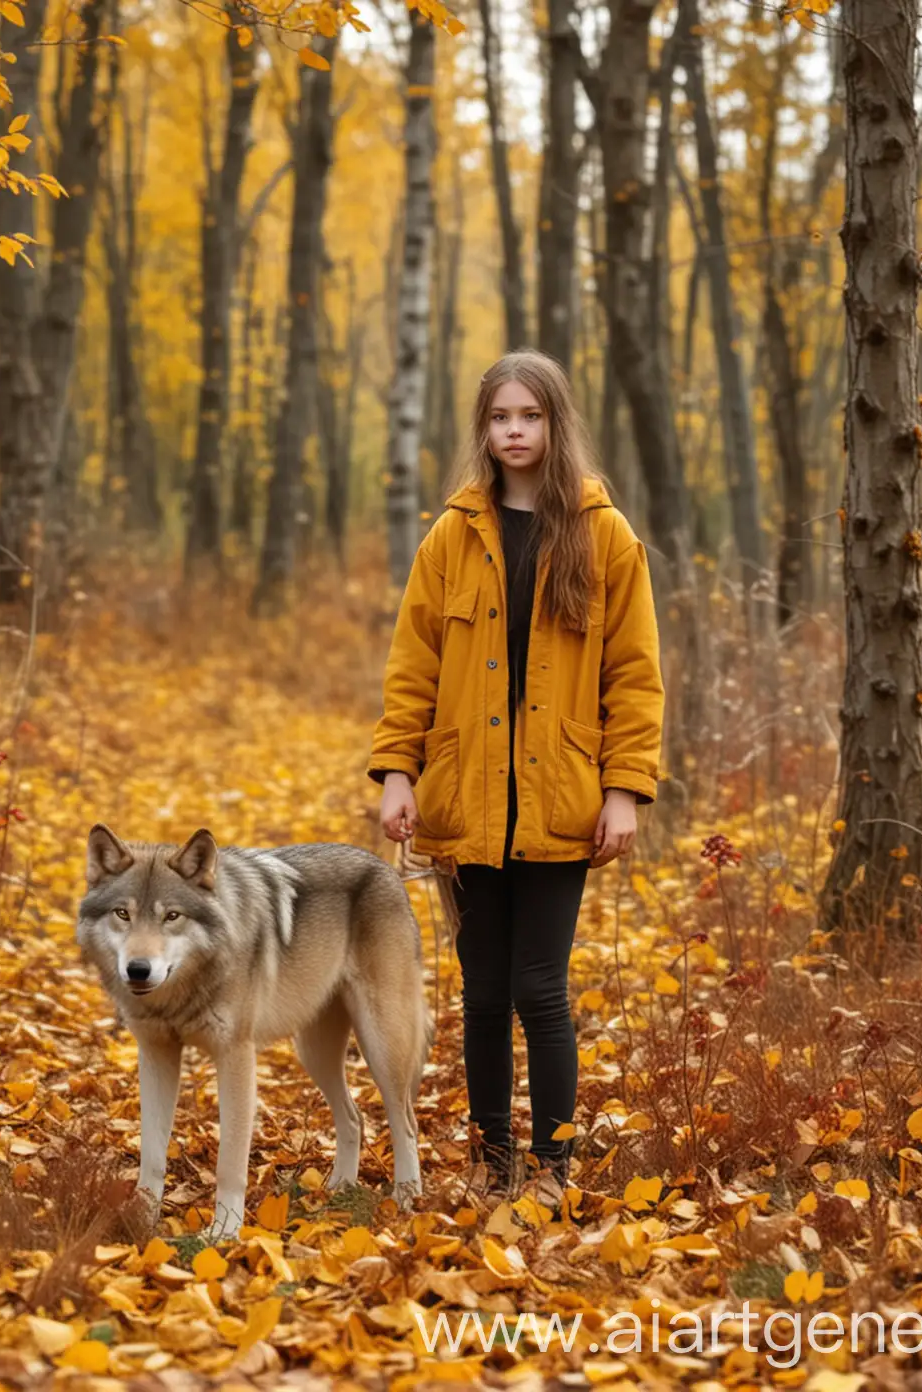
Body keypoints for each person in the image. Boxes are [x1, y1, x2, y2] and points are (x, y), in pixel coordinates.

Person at [368, 349, 664, 1204]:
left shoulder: (605, 535)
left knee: (541, 987)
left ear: (555, 423)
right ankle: (490, 1163)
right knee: (484, 990)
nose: (514, 432)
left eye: (529, 416)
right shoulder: (453, 535)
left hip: (563, 800)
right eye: (500, 418)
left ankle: (553, 1169)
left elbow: (634, 674)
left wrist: (623, 791)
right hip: (468, 799)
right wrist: (398, 773)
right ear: (483, 430)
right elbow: (412, 665)